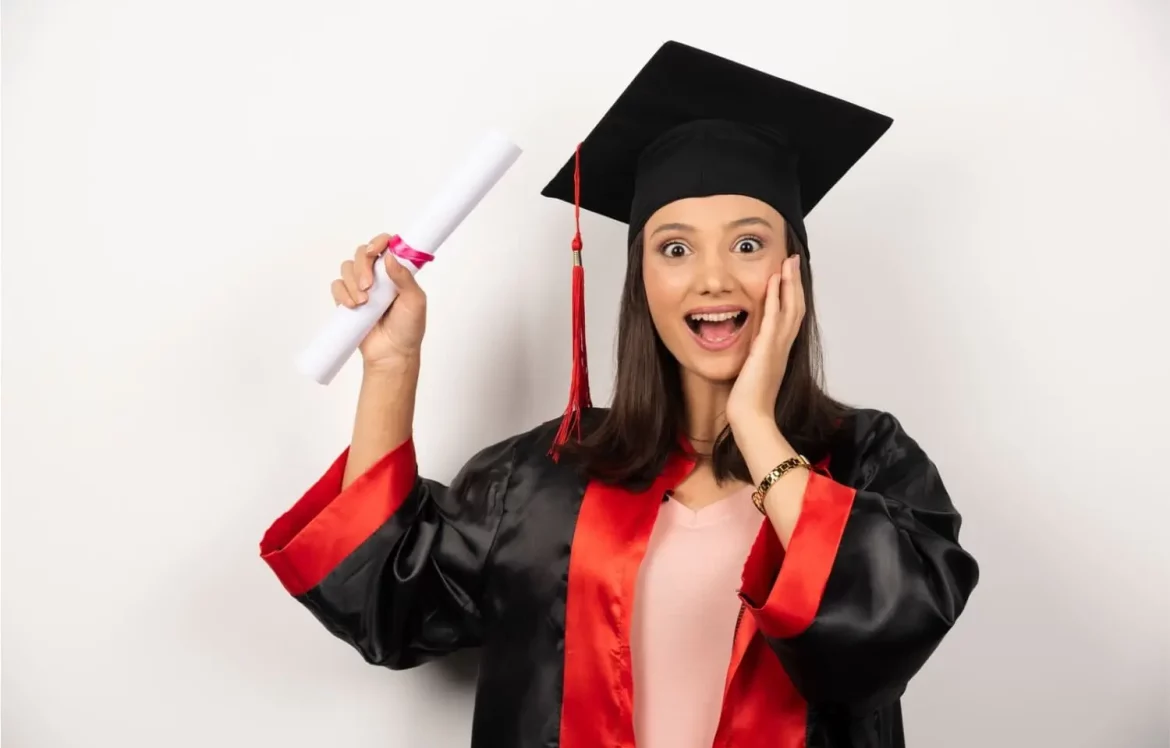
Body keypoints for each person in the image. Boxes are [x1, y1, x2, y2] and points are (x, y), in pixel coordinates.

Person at [259, 40, 979, 748]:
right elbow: (380, 598)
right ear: (641, 282)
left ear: (793, 272)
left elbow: (888, 633)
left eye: (749, 244)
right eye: (674, 248)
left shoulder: (868, 463)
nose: (713, 279)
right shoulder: (543, 477)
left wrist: (755, 424)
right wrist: (392, 367)